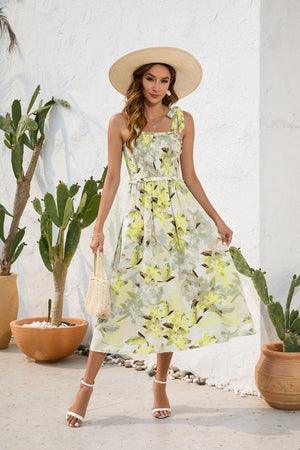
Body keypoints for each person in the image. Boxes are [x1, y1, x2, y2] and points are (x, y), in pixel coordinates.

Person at [66, 47, 256, 427]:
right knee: (119, 302)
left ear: (172, 85)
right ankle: (85, 388)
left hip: (177, 221)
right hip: (137, 223)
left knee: (169, 301)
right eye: (151, 79)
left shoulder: (183, 121)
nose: (157, 86)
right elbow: (113, 179)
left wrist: (217, 219)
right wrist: (99, 226)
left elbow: (190, 175)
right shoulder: (120, 122)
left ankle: (160, 385)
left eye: (164, 80)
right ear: (139, 81)